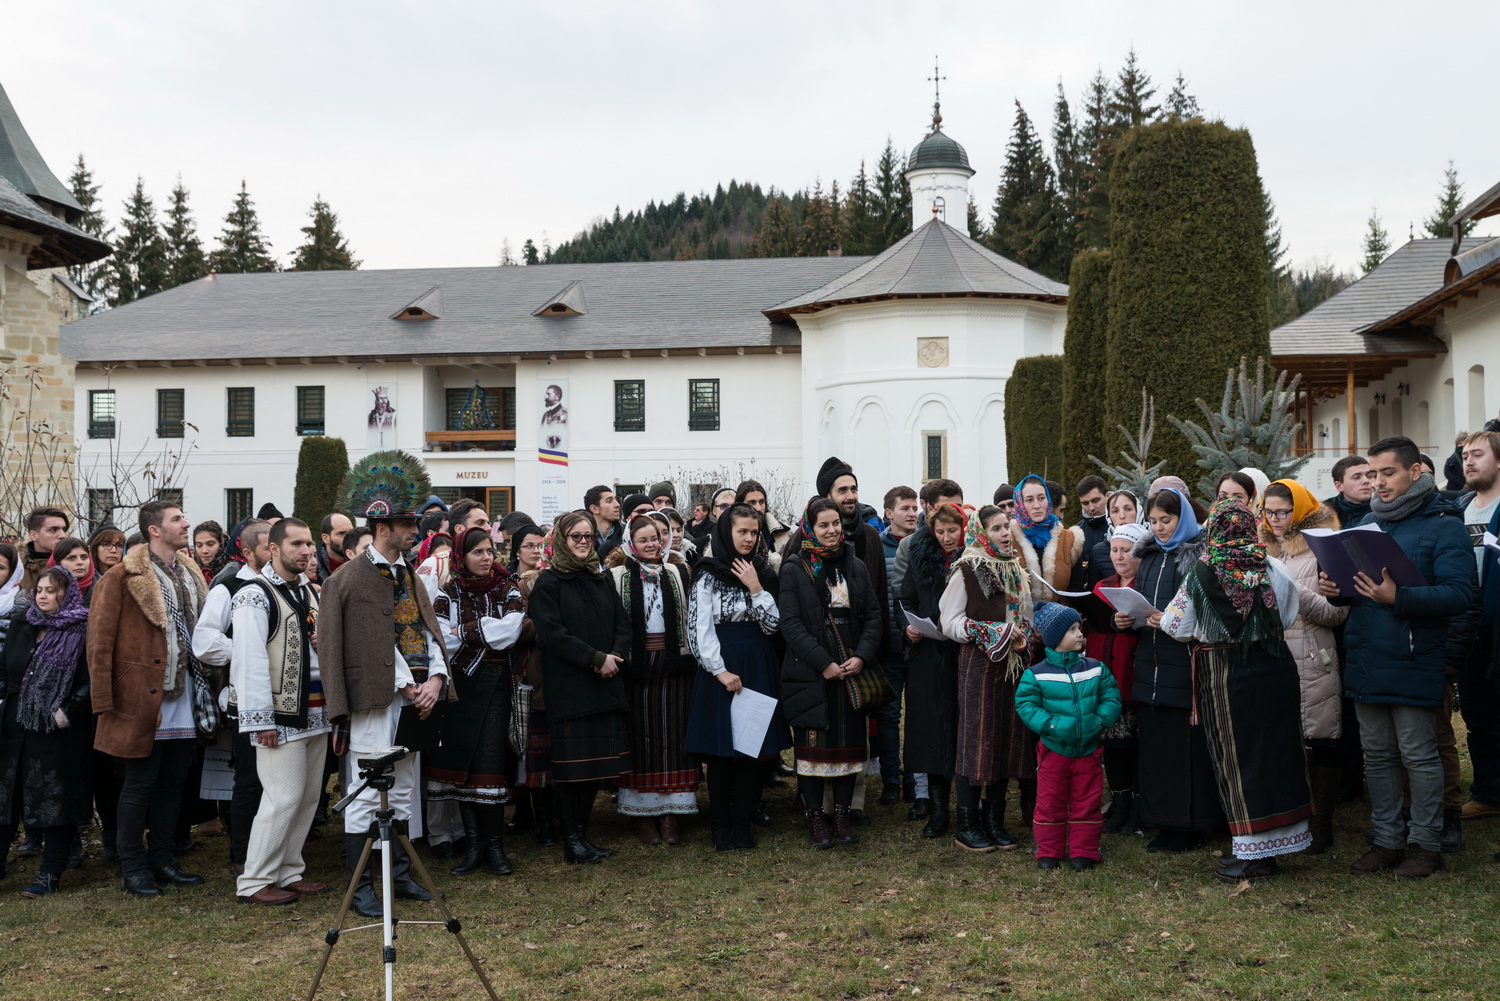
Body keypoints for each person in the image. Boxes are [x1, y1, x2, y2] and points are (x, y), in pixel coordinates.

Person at [1320, 436, 1478, 880]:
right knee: (1377, 755)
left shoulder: (1444, 524)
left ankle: (1426, 845)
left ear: (1415, 473)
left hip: (1412, 655)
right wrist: (1340, 590)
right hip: (1368, 652)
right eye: (1372, 473)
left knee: (1418, 754)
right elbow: (1364, 587)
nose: (1377, 481)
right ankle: (1386, 840)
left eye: (1387, 472)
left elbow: (1460, 594)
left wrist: (1399, 596)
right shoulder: (1369, 522)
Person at [319, 451, 451, 917]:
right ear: (382, 526)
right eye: (407, 524)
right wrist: (403, 682)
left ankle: (398, 876)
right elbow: (342, 648)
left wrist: (435, 677)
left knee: (400, 791)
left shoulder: (409, 575)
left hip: (416, 701)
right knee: (364, 795)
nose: (415, 531)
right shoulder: (344, 581)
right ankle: (360, 890)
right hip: (372, 704)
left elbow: (428, 631)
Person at [1162, 499, 1311, 883]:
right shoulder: (1273, 566)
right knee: (1277, 754)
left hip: (1226, 674)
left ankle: (1252, 857)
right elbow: (1290, 614)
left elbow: (1177, 625)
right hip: (1275, 668)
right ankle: (1276, 847)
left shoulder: (1200, 572)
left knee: (1238, 758)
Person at [88, 500, 212, 898]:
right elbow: (99, 643)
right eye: (177, 519)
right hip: (140, 695)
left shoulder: (190, 572)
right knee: (139, 783)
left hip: (184, 691)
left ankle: (162, 858)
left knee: (174, 782)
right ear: (154, 530)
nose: (185, 523)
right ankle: (132, 867)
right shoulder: (122, 576)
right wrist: (111, 703)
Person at [229, 518, 332, 906]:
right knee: (282, 797)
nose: (306, 551)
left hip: (316, 709)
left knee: (306, 798)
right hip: (280, 713)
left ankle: (289, 870)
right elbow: (249, 659)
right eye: (296, 544)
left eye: (308, 544)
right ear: (273, 549)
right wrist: (261, 721)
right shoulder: (253, 594)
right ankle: (254, 880)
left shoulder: (309, 591)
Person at [1115, 487, 1220, 853]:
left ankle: (1189, 825)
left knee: (1185, 752)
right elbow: (1146, 605)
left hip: (1183, 668)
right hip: (1150, 666)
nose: (1159, 528)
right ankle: (1161, 819)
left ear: (1184, 518)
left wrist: (1173, 624)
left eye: (1167, 520)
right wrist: (1127, 619)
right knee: (1157, 749)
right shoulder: (1152, 556)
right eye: (1154, 521)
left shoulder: (1198, 557)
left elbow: (1207, 615)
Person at [527, 511, 631, 864]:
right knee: (572, 772)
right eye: (576, 536)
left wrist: (615, 655)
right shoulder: (548, 583)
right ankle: (572, 841)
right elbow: (552, 636)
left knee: (594, 769)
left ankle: (582, 837)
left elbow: (622, 622)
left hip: (604, 686)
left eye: (588, 536)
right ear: (561, 540)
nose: (584, 542)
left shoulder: (600, 579)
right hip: (571, 689)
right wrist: (595, 658)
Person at [779, 497, 882, 848]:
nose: (831, 530)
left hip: (850, 664)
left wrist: (862, 657)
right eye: (823, 524)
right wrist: (823, 663)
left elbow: (873, 616)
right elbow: (790, 624)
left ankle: (840, 814)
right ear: (810, 527)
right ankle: (816, 819)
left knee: (847, 746)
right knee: (812, 749)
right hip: (811, 668)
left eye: (835, 523)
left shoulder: (854, 565)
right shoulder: (795, 567)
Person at [684, 504, 789, 852]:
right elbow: (697, 630)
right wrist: (720, 670)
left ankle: (743, 824)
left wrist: (756, 587)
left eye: (754, 532)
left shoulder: (759, 569)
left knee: (751, 747)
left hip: (757, 662)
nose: (748, 538)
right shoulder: (707, 573)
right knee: (720, 752)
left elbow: (773, 626)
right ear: (726, 533)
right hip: (722, 665)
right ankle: (720, 828)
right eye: (741, 531)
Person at [427, 526, 524, 877]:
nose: (486, 558)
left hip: (497, 685)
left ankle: (495, 847)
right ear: (461, 556)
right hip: (461, 688)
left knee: (490, 763)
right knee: (462, 765)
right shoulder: (448, 591)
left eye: (489, 551)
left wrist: (465, 630)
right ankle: (474, 846)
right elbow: (441, 639)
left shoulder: (507, 587)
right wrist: (483, 629)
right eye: (478, 552)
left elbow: (511, 630)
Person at [940, 505, 1037, 852]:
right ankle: (968, 823)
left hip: (1012, 666)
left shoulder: (1015, 569)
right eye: (996, 528)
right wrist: (990, 631)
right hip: (979, 666)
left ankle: (994, 820)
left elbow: (1023, 614)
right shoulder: (967, 568)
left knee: (1005, 739)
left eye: (1006, 527)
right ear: (981, 533)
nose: (1004, 533)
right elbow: (948, 622)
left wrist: (1023, 633)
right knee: (975, 741)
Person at [1259, 480, 1348, 853]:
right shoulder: (1259, 547)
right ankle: (1289, 822)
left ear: (1301, 511)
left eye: (1284, 512)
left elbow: (1336, 613)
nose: (1276, 520)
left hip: (1313, 655)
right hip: (1271, 655)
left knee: (1322, 738)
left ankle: (1322, 823)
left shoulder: (1324, 547)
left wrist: (1293, 589)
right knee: (1281, 742)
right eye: (1269, 512)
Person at [605, 515, 699, 845]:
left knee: (674, 736)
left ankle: (672, 815)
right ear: (631, 542)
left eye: (657, 538)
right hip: (636, 668)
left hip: (674, 665)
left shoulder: (676, 572)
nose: (652, 544)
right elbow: (612, 623)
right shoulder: (615, 576)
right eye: (644, 539)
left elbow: (690, 617)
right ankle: (642, 816)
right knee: (640, 738)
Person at [0, 569, 93, 898]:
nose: (42, 595)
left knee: (55, 800)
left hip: (57, 731)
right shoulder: (23, 624)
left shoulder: (81, 629)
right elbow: (3, 670)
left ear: (65, 594)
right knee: (6, 798)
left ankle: (50, 872)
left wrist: (63, 714)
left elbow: (89, 682)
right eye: (38, 589)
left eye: (51, 591)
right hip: (14, 725)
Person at [192, 518, 272, 876]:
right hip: (244, 695)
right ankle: (241, 856)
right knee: (250, 780)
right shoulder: (227, 586)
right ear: (248, 551)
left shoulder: (286, 585)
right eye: (269, 546)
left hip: (285, 697)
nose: (276, 551)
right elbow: (205, 641)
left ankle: (272, 853)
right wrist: (248, 649)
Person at [1015, 601, 1121, 871]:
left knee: (1087, 802)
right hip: (1053, 751)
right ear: (1054, 638)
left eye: (1079, 628)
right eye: (1072, 629)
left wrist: (1100, 720)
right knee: (1050, 803)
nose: (1079, 634)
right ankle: (1049, 852)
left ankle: (1083, 852)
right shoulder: (1036, 675)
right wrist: (1049, 725)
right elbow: (1026, 704)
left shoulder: (1095, 668)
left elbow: (1110, 696)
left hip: (1089, 751)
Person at [891, 478, 963, 821]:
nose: (947, 538)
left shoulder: (973, 559)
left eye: (953, 531)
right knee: (928, 729)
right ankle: (936, 809)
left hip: (962, 655)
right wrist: (909, 627)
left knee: (962, 728)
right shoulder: (920, 555)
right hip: (927, 655)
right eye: (941, 531)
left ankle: (966, 806)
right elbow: (903, 598)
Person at [1086, 522, 1148, 835]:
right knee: (1112, 744)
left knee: (1134, 745)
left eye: (1126, 551)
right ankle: (1120, 803)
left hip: (1133, 677)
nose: (1119, 557)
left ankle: (1139, 808)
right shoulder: (1102, 586)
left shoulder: (1146, 585)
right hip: (1106, 677)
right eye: (1114, 550)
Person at [1457, 430, 1500, 824]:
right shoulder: (1459, 507)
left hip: (1497, 625)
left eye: (1478, 454)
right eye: (1465, 455)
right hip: (1469, 630)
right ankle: (1488, 792)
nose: (1468, 461)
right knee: (1478, 715)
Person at [506, 524, 557, 847]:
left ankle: (550, 819)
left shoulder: (553, 581)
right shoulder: (513, 585)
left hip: (555, 678)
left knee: (549, 754)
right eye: (529, 545)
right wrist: (552, 623)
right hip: (529, 677)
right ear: (516, 551)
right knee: (528, 754)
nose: (536, 551)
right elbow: (517, 629)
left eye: (541, 545)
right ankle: (529, 815)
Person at [877, 485, 919, 806]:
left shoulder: (924, 546)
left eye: (914, 506)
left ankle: (913, 779)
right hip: (890, 646)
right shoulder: (877, 547)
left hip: (919, 647)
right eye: (905, 507)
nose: (912, 512)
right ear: (889, 513)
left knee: (917, 717)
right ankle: (891, 779)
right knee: (889, 717)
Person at [1011, 475, 1076, 601]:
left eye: (1041, 498)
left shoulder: (1068, 538)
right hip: (1022, 617)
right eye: (1029, 500)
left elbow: (1075, 587)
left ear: (1048, 500)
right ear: (1020, 504)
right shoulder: (1008, 539)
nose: (1037, 505)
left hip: (1060, 616)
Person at [1067, 476, 1110, 593]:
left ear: (1108, 496)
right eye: (1085, 503)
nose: (1091, 508)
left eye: (1096, 501)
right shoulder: (1075, 532)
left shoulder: (1119, 527)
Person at [18, 507, 70, 594]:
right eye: (53, 530)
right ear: (34, 535)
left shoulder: (74, 564)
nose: (62, 535)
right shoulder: (15, 565)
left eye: (64, 529)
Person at [1324, 456, 1375, 529]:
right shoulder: (1323, 516)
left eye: (1369, 476)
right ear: (1339, 486)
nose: (1366, 481)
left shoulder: (1387, 511)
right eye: (1357, 477)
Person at [48, 538, 97, 605]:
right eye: (71, 558)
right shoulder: (42, 591)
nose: (80, 562)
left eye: (84, 557)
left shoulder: (105, 588)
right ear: (57, 563)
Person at [585, 485, 623, 556]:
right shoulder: (581, 538)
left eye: (616, 500)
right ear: (594, 509)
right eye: (609, 501)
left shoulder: (626, 536)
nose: (617, 505)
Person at [315, 512, 354, 582]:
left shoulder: (361, 563)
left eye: (351, 532)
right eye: (341, 533)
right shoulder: (311, 567)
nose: (348, 538)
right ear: (325, 538)